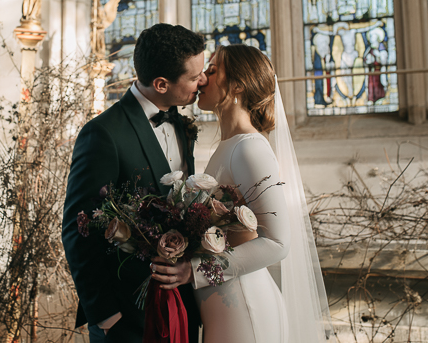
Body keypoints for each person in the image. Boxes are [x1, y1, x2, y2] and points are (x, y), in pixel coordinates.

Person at [150, 44, 333, 342]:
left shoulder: (250, 148)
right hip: (222, 306)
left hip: (244, 307)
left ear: (237, 84)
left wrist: (193, 270)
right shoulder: (227, 147)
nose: (202, 79)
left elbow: (276, 243)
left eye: (212, 70)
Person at [62, 23, 207, 342]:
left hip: (181, 308)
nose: (203, 81)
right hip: (126, 319)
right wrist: (105, 315)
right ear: (161, 83)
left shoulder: (182, 125)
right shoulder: (103, 133)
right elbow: (77, 227)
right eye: (195, 77)